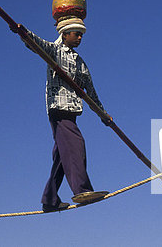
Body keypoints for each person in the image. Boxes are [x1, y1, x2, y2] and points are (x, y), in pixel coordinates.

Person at [10, 17, 111, 212]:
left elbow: (90, 90)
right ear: (64, 34)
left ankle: (50, 200)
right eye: (76, 33)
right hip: (59, 109)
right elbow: (36, 44)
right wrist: (23, 33)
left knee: (62, 158)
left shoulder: (79, 62)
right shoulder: (55, 51)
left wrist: (103, 114)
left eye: (81, 34)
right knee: (76, 144)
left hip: (71, 111)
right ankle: (82, 190)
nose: (80, 37)